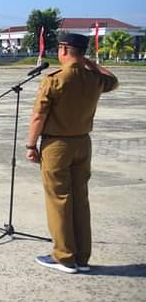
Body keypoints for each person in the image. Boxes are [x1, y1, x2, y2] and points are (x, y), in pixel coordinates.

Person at [25, 33, 118, 274]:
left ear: (64, 50)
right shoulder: (93, 78)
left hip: (57, 146)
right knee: (79, 200)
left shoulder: (55, 79)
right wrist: (87, 62)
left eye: (60, 48)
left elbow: (38, 116)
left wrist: (30, 145)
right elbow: (113, 80)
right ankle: (81, 257)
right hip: (82, 144)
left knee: (59, 200)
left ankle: (64, 257)